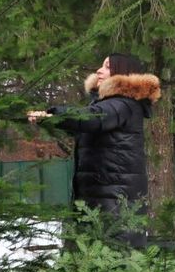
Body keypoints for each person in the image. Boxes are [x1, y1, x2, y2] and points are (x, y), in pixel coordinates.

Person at [28, 53, 161, 248]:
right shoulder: (113, 105)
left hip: (113, 202)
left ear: (122, 72)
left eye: (107, 67)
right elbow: (85, 123)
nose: (99, 70)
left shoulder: (122, 104)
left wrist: (54, 113)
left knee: (113, 263)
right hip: (100, 198)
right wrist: (49, 119)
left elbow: (92, 118)